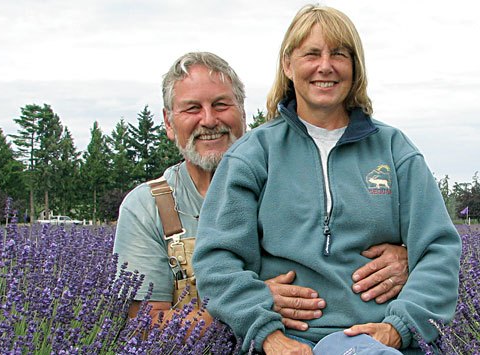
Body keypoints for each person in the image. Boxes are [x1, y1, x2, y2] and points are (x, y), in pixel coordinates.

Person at [193, 5, 461, 355]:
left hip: (381, 343)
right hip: (285, 343)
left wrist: (398, 329)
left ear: (355, 67)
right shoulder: (253, 154)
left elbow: (439, 249)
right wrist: (269, 338)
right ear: (288, 65)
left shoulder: (394, 149)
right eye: (312, 54)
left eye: (339, 54)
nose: (326, 66)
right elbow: (216, 262)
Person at [113, 51, 409, 334]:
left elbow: (345, 246)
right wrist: (250, 301)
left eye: (221, 105)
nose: (209, 120)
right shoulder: (148, 206)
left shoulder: (295, 181)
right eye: (192, 108)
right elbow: (145, 328)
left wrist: (408, 257)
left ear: (242, 112)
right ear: (168, 122)